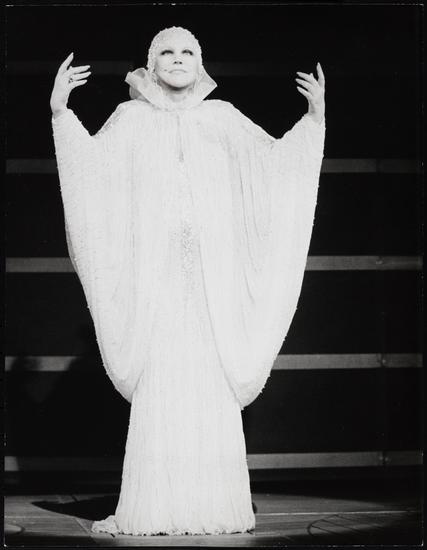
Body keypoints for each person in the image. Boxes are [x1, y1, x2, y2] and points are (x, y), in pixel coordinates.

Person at [50, 26, 325, 536]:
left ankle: (212, 505)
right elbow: (91, 171)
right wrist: (61, 114)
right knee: (163, 386)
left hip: (211, 290)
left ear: (200, 63)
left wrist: (313, 122)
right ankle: (155, 506)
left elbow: (274, 166)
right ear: (151, 64)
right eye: (167, 52)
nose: (177, 59)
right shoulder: (130, 120)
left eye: (187, 52)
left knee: (208, 387)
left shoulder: (222, 118)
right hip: (157, 289)